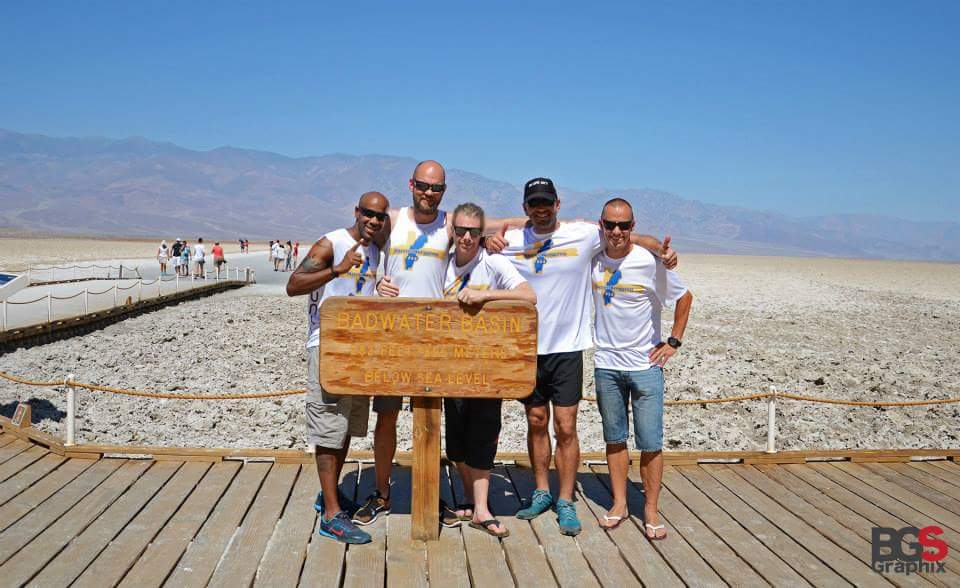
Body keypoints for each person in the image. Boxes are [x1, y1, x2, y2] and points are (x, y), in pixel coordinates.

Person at [492, 177, 676, 536]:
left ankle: (566, 499)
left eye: (547, 202)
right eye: (534, 203)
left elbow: (624, 235)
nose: (541, 209)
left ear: (558, 204)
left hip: (567, 348)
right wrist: (487, 239)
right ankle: (541, 491)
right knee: (534, 420)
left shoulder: (583, 234)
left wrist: (661, 251)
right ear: (525, 207)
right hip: (528, 347)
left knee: (565, 426)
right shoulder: (511, 240)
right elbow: (475, 238)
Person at [286, 191, 389, 544]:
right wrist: (335, 270)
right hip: (328, 347)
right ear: (356, 211)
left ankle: (329, 498)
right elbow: (293, 285)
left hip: (360, 351)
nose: (374, 220)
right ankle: (332, 515)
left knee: (343, 428)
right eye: (368, 213)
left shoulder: (376, 249)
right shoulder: (330, 243)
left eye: (380, 216)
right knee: (328, 427)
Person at [591, 198, 692, 538]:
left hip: (645, 367)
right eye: (610, 225)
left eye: (624, 225)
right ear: (601, 226)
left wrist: (673, 341)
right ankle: (619, 503)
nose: (616, 232)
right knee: (615, 439)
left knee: (650, 441)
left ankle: (649, 508)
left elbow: (684, 296)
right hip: (606, 365)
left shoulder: (649, 263)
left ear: (632, 227)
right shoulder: (592, 260)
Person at [438, 202, 536, 538]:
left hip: (485, 367)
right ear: (452, 232)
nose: (466, 237)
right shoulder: (441, 265)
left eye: (473, 232)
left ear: (482, 235)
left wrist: (487, 297)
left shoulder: (492, 263)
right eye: (461, 231)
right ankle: (468, 496)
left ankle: (481, 508)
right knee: (457, 442)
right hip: (448, 367)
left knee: (482, 435)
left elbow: (528, 296)